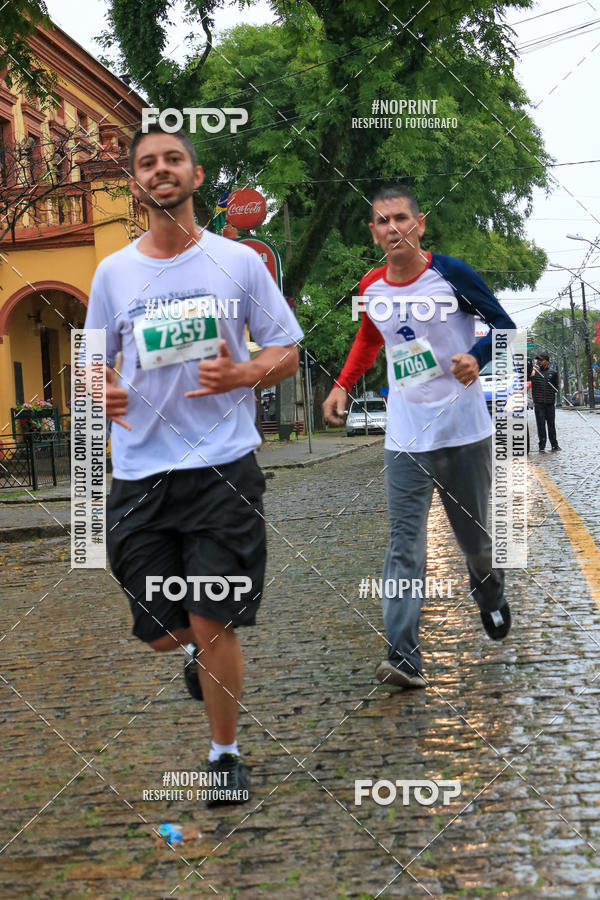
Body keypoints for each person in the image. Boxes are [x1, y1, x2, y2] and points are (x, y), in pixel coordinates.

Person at [84, 123, 303, 804]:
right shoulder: (113, 273)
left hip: (222, 467)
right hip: (140, 474)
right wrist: (98, 387)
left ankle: (224, 754)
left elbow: (286, 350)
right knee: (159, 630)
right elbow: (89, 363)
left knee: (213, 617)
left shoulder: (237, 263)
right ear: (136, 182)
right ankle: (192, 656)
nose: (161, 169)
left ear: (196, 175)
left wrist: (244, 373)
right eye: (148, 162)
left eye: (174, 158)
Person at [323, 185, 515, 689]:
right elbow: (369, 337)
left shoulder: (451, 274)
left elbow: (505, 325)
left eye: (401, 218)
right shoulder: (371, 286)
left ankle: (489, 593)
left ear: (420, 223)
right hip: (406, 438)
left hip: (463, 433)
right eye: (383, 221)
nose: (393, 228)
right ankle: (403, 655)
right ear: (373, 232)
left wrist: (478, 356)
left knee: (475, 542)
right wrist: (343, 384)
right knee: (404, 546)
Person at [530, 351, 560, 452]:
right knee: (540, 425)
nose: (539, 362)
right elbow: (527, 376)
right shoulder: (534, 372)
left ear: (547, 361)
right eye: (538, 360)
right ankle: (541, 446)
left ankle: (554, 445)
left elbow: (556, 387)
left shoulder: (553, 373)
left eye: (541, 360)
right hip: (539, 404)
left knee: (551, 425)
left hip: (550, 403)